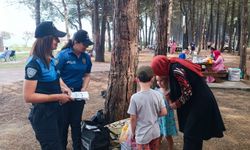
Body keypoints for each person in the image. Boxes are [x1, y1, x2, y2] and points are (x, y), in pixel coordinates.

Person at [151, 55, 225, 150]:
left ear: (161, 68)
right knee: (195, 134)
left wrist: (177, 103)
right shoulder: (172, 66)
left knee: (191, 134)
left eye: (158, 72)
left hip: (201, 102)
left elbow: (187, 91)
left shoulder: (176, 70)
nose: (159, 75)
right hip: (196, 101)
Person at [23, 21, 72, 150]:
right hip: (43, 116)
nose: (58, 41)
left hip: (56, 111)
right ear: (46, 39)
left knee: (61, 144)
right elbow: (28, 96)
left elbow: (57, 77)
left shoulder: (51, 58)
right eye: (55, 38)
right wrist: (58, 96)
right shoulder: (34, 63)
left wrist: (64, 87)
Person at [56, 29, 93, 150]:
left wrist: (83, 88)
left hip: (78, 95)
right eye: (84, 44)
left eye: (87, 45)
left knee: (76, 123)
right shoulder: (63, 55)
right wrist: (66, 89)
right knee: (63, 125)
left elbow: (87, 75)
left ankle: (77, 147)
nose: (86, 47)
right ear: (75, 42)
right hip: (64, 95)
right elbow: (56, 75)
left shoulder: (86, 57)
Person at [127, 66, 167, 150]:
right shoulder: (158, 95)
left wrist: (132, 132)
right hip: (155, 132)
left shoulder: (135, 98)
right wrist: (153, 114)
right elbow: (164, 112)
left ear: (137, 79)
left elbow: (133, 119)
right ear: (152, 79)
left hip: (142, 134)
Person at [156, 76, 178, 150]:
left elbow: (172, 106)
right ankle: (158, 144)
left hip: (167, 117)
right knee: (159, 133)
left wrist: (168, 99)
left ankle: (170, 146)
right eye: (157, 81)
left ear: (167, 81)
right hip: (159, 116)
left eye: (161, 81)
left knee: (167, 134)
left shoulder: (169, 91)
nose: (159, 83)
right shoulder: (156, 90)